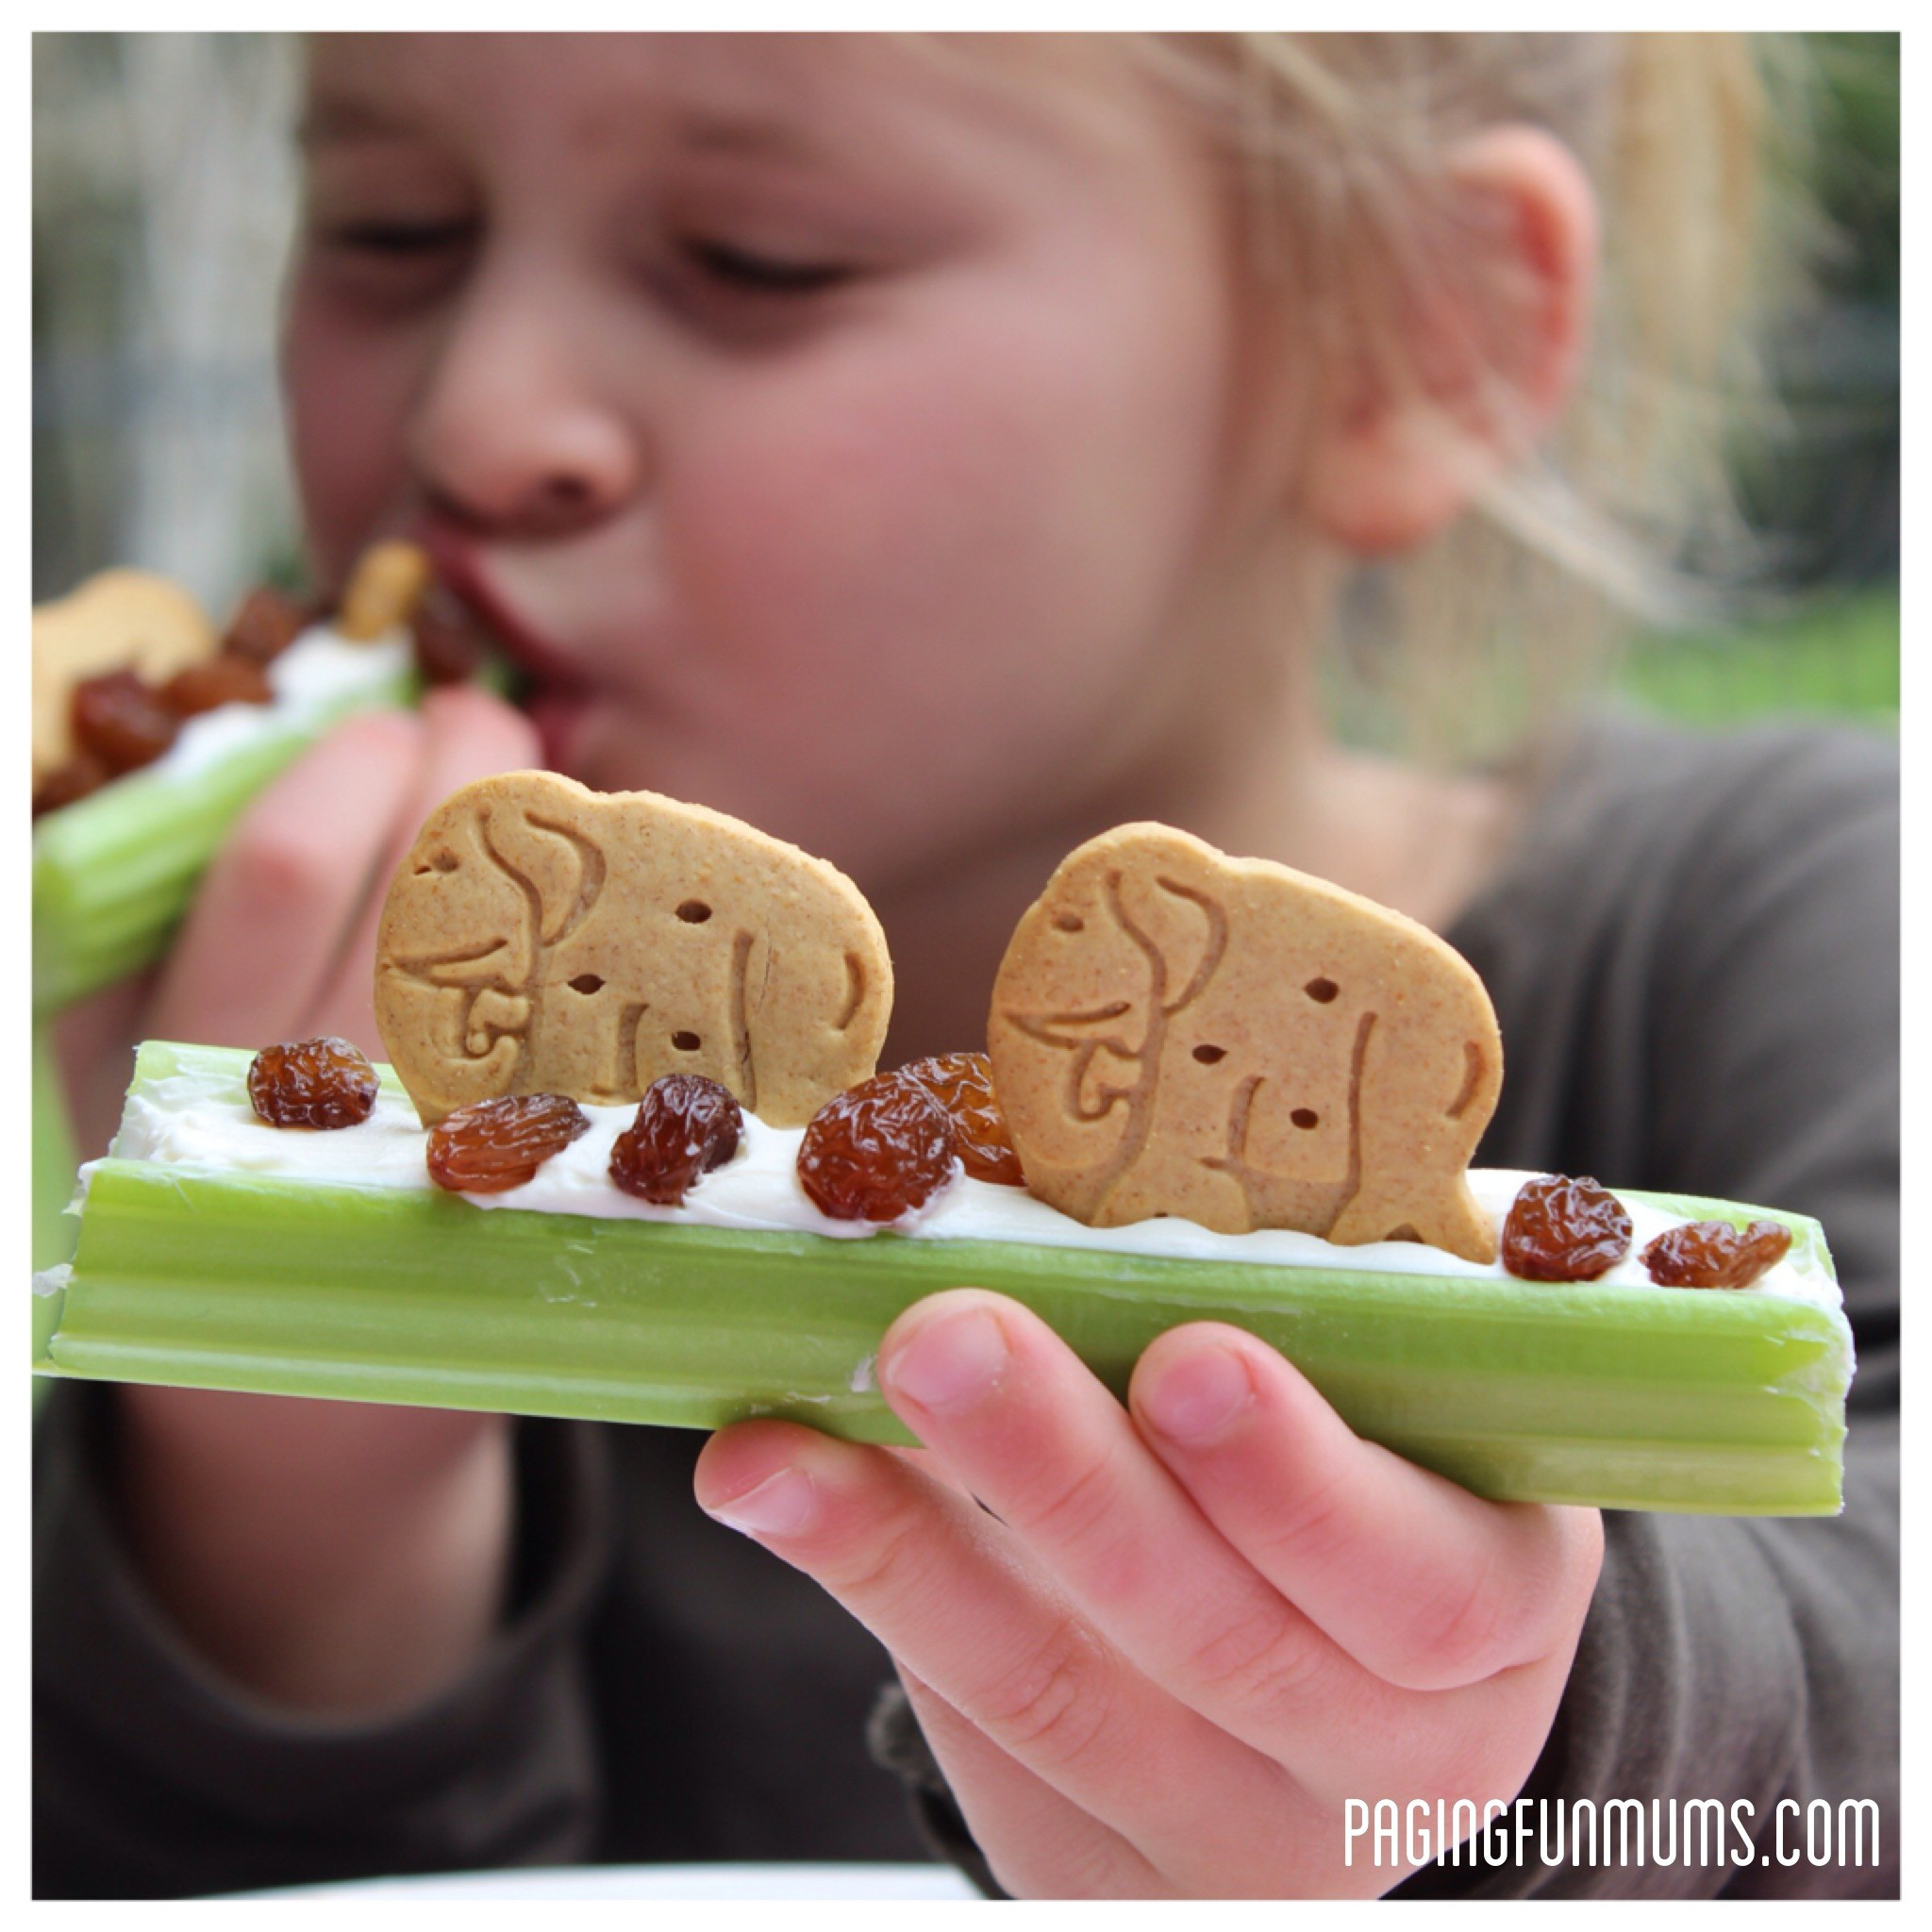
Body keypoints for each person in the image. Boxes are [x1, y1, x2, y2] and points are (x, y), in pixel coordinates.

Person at [35, 32, 1897, 1899]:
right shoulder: (263, 1096)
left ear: (1421, 337)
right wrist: (284, 1490)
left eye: (763, 258)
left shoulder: (1801, 912)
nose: (478, 421)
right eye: (389, 224)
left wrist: (1532, 1744)